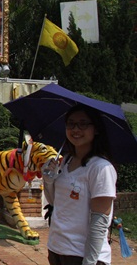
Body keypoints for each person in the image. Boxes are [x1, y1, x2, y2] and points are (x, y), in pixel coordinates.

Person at [42, 104, 117, 265]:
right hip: (57, 249)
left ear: (95, 129)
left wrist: (89, 261)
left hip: (83, 255)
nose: (76, 129)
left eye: (83, 124)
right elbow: (56, 203)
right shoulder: (66, 161)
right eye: (71, 123)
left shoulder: (101, 168)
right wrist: (48, 181)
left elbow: (100, 220)